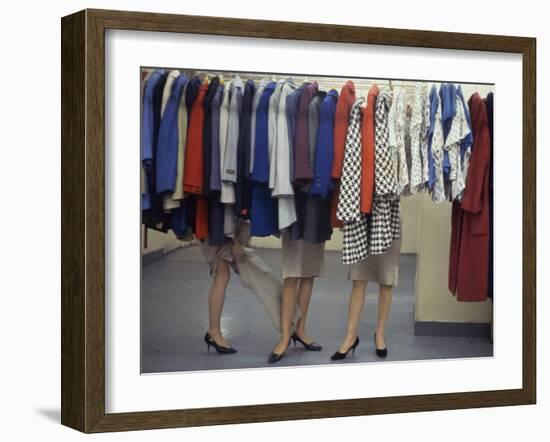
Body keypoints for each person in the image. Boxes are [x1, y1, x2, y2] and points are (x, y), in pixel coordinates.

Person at [330, 233, 402, 360]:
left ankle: (380, 334)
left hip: (388, 221)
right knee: (358, 278)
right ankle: (350, 336)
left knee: (386, 280)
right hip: (362, 221)